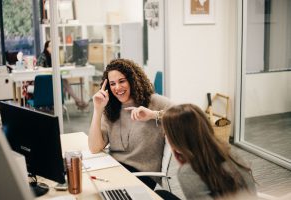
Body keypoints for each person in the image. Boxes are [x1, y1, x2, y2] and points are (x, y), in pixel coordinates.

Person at [88, 58, 173, 190]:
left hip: (142, 176)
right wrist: (97, 109)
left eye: (122, 81)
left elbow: (189, 117)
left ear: (133, 80)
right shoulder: (111, 108)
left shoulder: (154, 102)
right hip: (115, 169)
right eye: (112, 83)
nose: (117, 87)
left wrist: (153, 115)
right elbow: (94, 147)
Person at [159, 104, 257, 200]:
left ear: (178, 138)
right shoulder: (227, 150)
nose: (165, 136)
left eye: (166, 133)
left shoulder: (188, 172)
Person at [36, 40, 89, 110]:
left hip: (51, 80)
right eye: (51, 46)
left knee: (64, 83)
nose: (53, 48)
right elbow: (38, 67)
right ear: (46, 48)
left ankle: (57, 105)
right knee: (64, 82)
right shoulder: (43, 55)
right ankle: (78, 102)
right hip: (45, 81)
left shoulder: (52, 56)